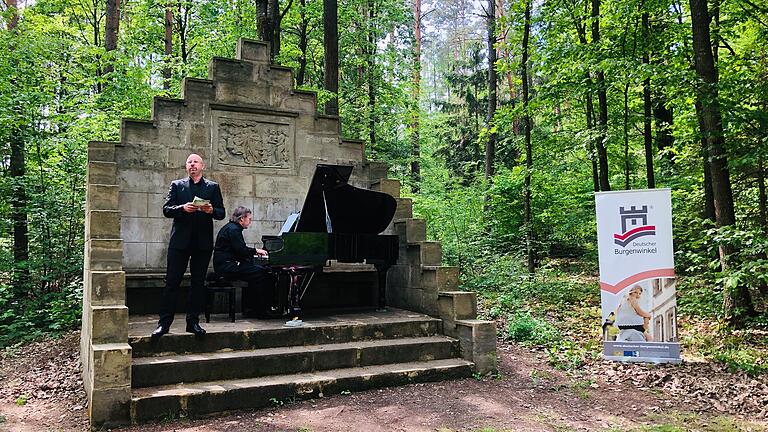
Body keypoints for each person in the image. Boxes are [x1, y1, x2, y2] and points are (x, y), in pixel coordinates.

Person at [152, 154, 225, 338]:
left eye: (196, 162)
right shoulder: (177, 185)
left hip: (202, 243)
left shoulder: (212, 187)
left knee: (198, 284)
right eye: (189, 162)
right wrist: (182, 208)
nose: (192, 165)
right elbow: (166, 209)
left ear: (203, 166)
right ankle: (164, 324)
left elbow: (221, 213)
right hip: (180, 243)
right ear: (186, 166)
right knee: (172, 282)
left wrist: (211, 210)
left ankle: (193, 323)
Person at [213, 206, 277, 318]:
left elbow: (239, 251)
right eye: (249, 219)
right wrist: (256, 251)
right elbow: (241, 250)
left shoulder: (232, 228)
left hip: (227, 264)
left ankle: (251, 308)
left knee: (255, 272)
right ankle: (262, 311)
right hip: (226, 267)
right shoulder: (233, 230)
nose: (250, 221)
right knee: (261, 274)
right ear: (242, 219)